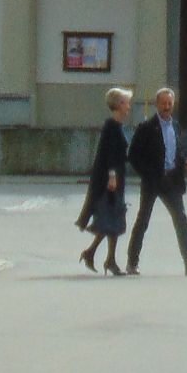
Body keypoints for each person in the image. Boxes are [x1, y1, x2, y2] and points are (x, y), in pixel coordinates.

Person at [126, 86, 187, 275]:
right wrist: (148, 174)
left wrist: (185, 162)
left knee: (181, 220)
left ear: (173, 105)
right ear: (157, 104)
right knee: (143, 220)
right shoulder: (146, 128)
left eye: (169, 103)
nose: (166, 107)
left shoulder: (176, 126)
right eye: (163, 103)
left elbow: (178, 152)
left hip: (172, 180)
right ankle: (132, 262)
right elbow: (133, 155)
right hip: (153, 181)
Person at [78, 87, 133, 274]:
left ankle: (103, 256)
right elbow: (109, 154)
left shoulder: (117, 126)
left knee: (114, 219)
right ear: (119, 105)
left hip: (117, 177)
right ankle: (98, 255)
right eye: (127, 103)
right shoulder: (111, 127)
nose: (129, 107)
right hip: (109, 180)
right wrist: (111, 176)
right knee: (111, 219)